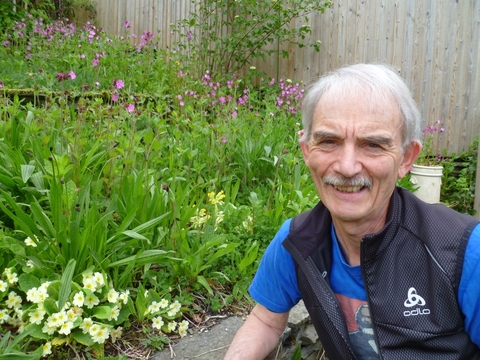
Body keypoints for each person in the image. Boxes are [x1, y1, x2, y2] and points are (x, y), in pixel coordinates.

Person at [224, 63, 480, 359]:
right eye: (329, 141)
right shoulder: (298, 242)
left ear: (406, 159)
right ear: (307, 150)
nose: (347, 167)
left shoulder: (464, 251)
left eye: (372, 145)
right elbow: (265, 322)